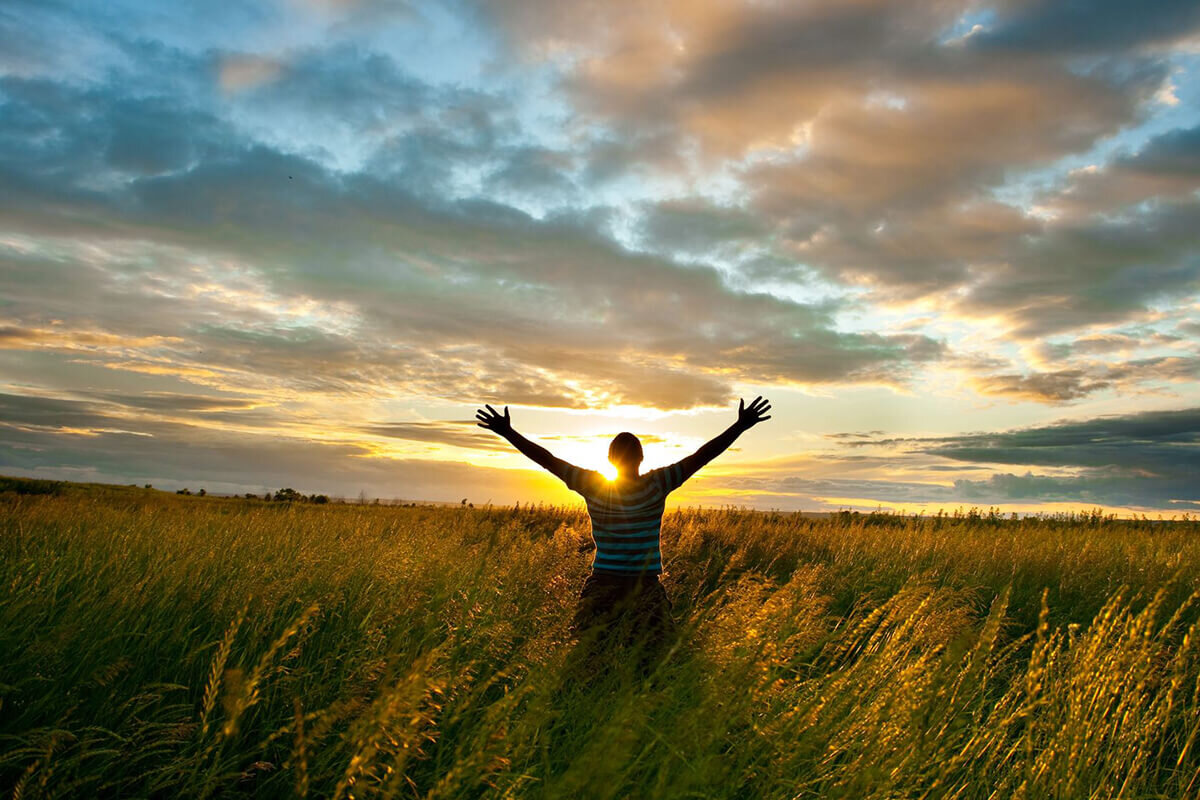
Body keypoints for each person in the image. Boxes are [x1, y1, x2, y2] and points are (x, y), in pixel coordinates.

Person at [475, 396, 772, 663]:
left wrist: (508, 433)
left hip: (603, 584)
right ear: (641, 458)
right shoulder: (658, 484)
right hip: (645, 588)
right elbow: (701, 456)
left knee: (586, 661)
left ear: (609, 460)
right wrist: (739, 426)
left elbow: (548, 461)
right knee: (659, 663)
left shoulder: (593, 485)